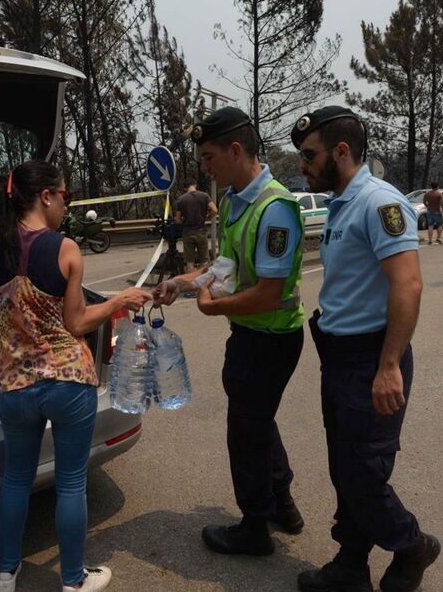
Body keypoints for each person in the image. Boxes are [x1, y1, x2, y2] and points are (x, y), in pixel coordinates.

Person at [0, 57, 151, 592]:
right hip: (67, 382)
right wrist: (121, 301)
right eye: (65, 194)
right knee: (70, 482)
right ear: (45, 196)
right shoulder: (63, 249)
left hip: (14, 386)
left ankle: (5, 572)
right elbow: (76, 319)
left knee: (15, 479)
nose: (68, 203)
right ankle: (72, 580)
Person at [290, 106, 440, 592]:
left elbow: (408, 285)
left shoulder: (379, 202)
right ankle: (351, 566)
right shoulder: (341, 204)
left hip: (371, 358)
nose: (303, 164)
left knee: (363, 473)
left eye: (309, 154)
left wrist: (389, 365)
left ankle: (412, 544)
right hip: (338, 357)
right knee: (344, 467)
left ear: (341, 150)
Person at [153, 106, 306, 556]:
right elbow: (225, 267)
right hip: (256, 336)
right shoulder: (241, 201)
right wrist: (182, 284)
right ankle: (282, 504)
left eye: (208, 156)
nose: (205, 166)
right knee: (257, 423)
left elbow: (268, 295)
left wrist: (210, 308)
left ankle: (254, 528)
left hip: (268, 337)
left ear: (235, 149)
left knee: (246, 431)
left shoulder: (274, 208)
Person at [175, 177, 218, 273]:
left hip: (188, 233)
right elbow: (214, 210)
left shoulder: (181, 199)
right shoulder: (204, 196)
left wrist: (184, 223)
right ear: (194, 185)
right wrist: (207, 217)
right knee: (204, 262)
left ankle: (190, 284)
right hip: (201, 232)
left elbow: (178, 220)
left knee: (190, 262)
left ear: (185, 188)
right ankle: (204, 283)